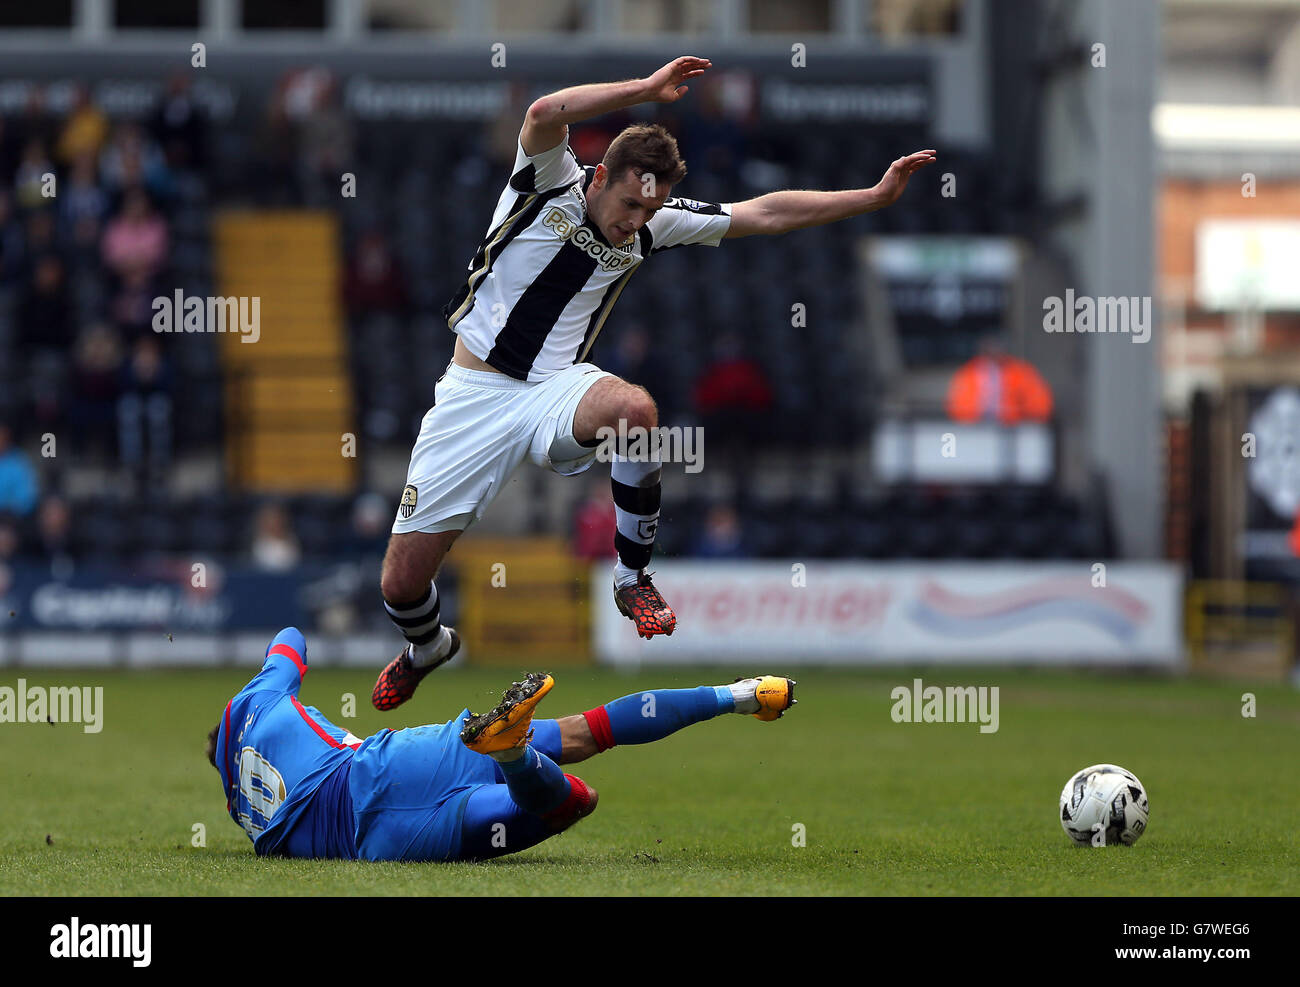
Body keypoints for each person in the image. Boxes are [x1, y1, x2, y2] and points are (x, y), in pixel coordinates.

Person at [373, 55, 935, 712]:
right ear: (601, 175)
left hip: (554, 393)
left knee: (635, 409)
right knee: (401, 585)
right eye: (631, 203)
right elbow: (542, 113)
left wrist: (869, 198)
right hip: (473, 394)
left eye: (652, 208)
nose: (638, 220)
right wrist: (642, 91)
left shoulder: (653, 223)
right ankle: (427, 648)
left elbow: (766, 214)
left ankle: (632, 575)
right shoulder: (547, 181)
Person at [207, 627, 796, 861]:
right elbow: (290, 639)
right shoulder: (254, 701)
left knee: (576, 801)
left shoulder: (243, 812)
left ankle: (512, 753)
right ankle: (743, 694)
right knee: (585, 732)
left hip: (386, 839)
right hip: (395, 759)